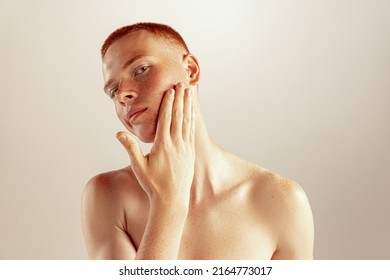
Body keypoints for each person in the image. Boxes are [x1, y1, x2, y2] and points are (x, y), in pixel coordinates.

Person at [81, 22, 314, 260]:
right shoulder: (107, 195)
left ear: (191, 70)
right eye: (113, 90)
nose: (123, 95)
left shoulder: (282, 200)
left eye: (141, 70)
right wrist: (167, 204)